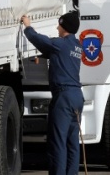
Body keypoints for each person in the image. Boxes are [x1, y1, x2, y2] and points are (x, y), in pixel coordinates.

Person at [21, 11, 84, 175]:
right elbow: (53, 53)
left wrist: (27, 26)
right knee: (72, 143)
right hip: (77, 96)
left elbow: (39, 39)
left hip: (64, 97)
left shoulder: (60, 44)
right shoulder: (77, 46)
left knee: (58, 142)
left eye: (59, 25)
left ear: (65, 27)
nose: (57, 28)